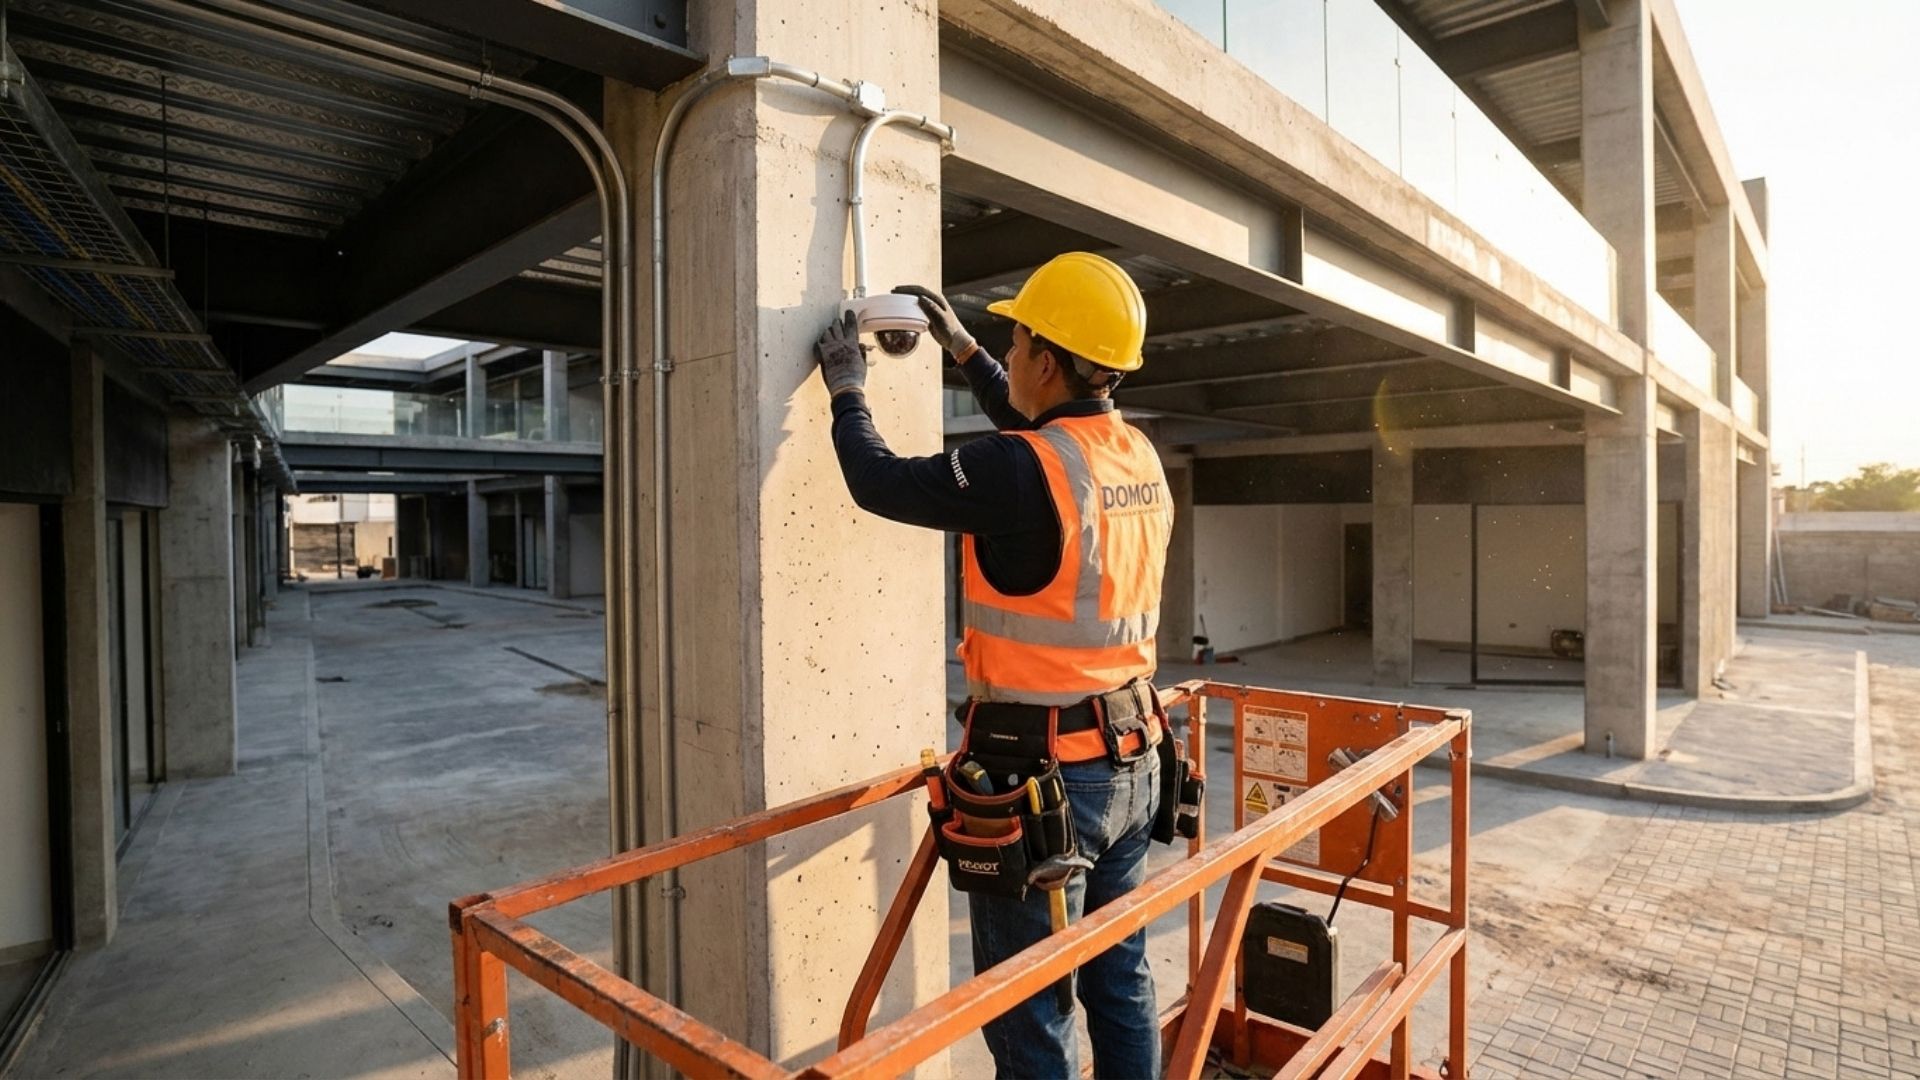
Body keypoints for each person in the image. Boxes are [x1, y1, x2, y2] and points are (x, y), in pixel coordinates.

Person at [813, 252, 1173, 1079]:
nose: (1007, 357)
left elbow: (879, 481)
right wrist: (965, 350)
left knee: (1029, 1003)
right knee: (1120, 980)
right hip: (1133, 756)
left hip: (1047, 785)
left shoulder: (1021, 469)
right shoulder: (1135, 456)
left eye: (1014, 345)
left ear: (1047, 361)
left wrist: (846, 388)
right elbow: (1040, 445)